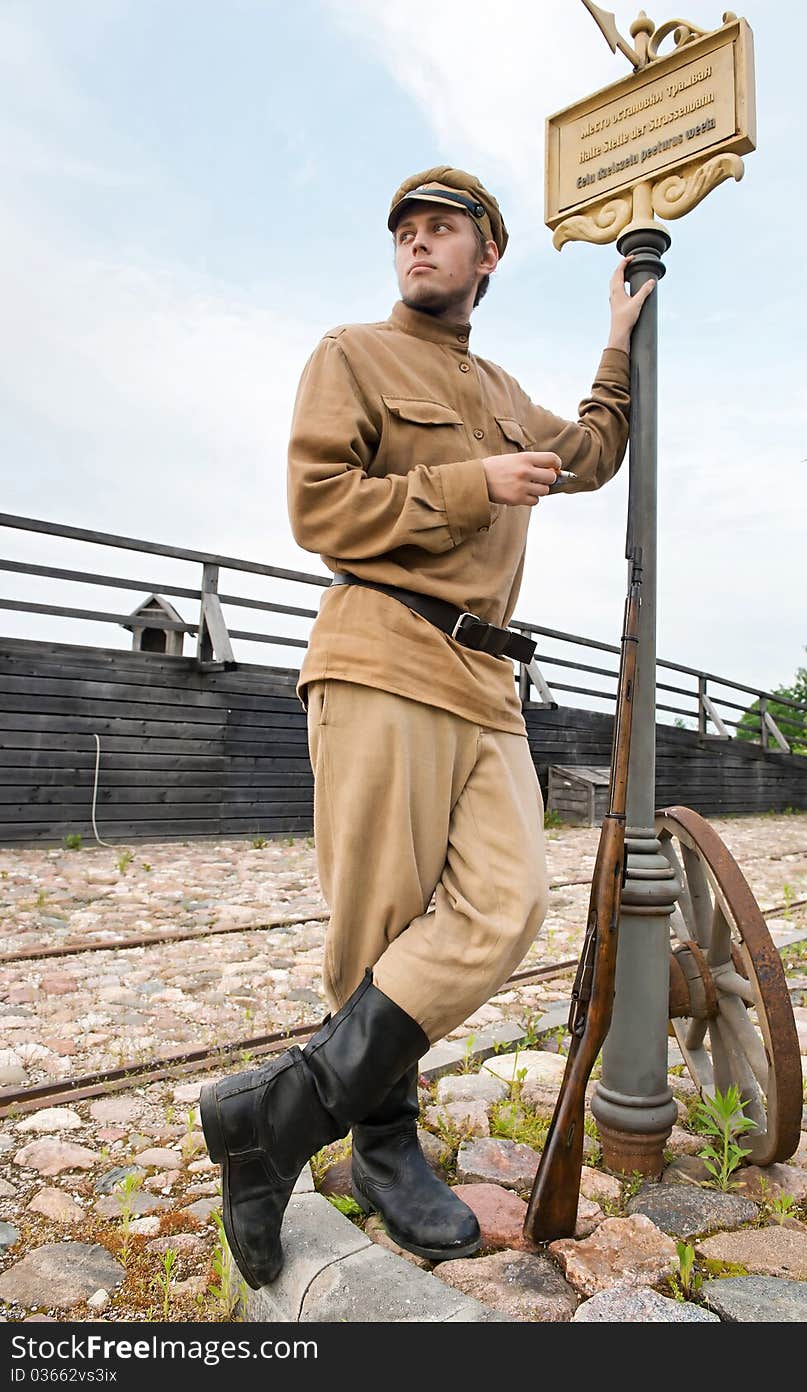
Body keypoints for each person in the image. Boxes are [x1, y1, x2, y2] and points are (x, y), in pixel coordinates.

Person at [200, 165, 654, 1290]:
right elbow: (319, 509)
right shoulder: (350, 354)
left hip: (484, 682)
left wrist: (620, 333)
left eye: (442, 229)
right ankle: (381, 1146)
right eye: (406, 228)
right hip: (380, 652)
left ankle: (273, 1119)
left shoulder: (501, 388)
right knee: (378, 923)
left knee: (507, 905)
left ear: (486, 255)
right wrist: (470, 485)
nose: (418, 243)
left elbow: (590, 454)